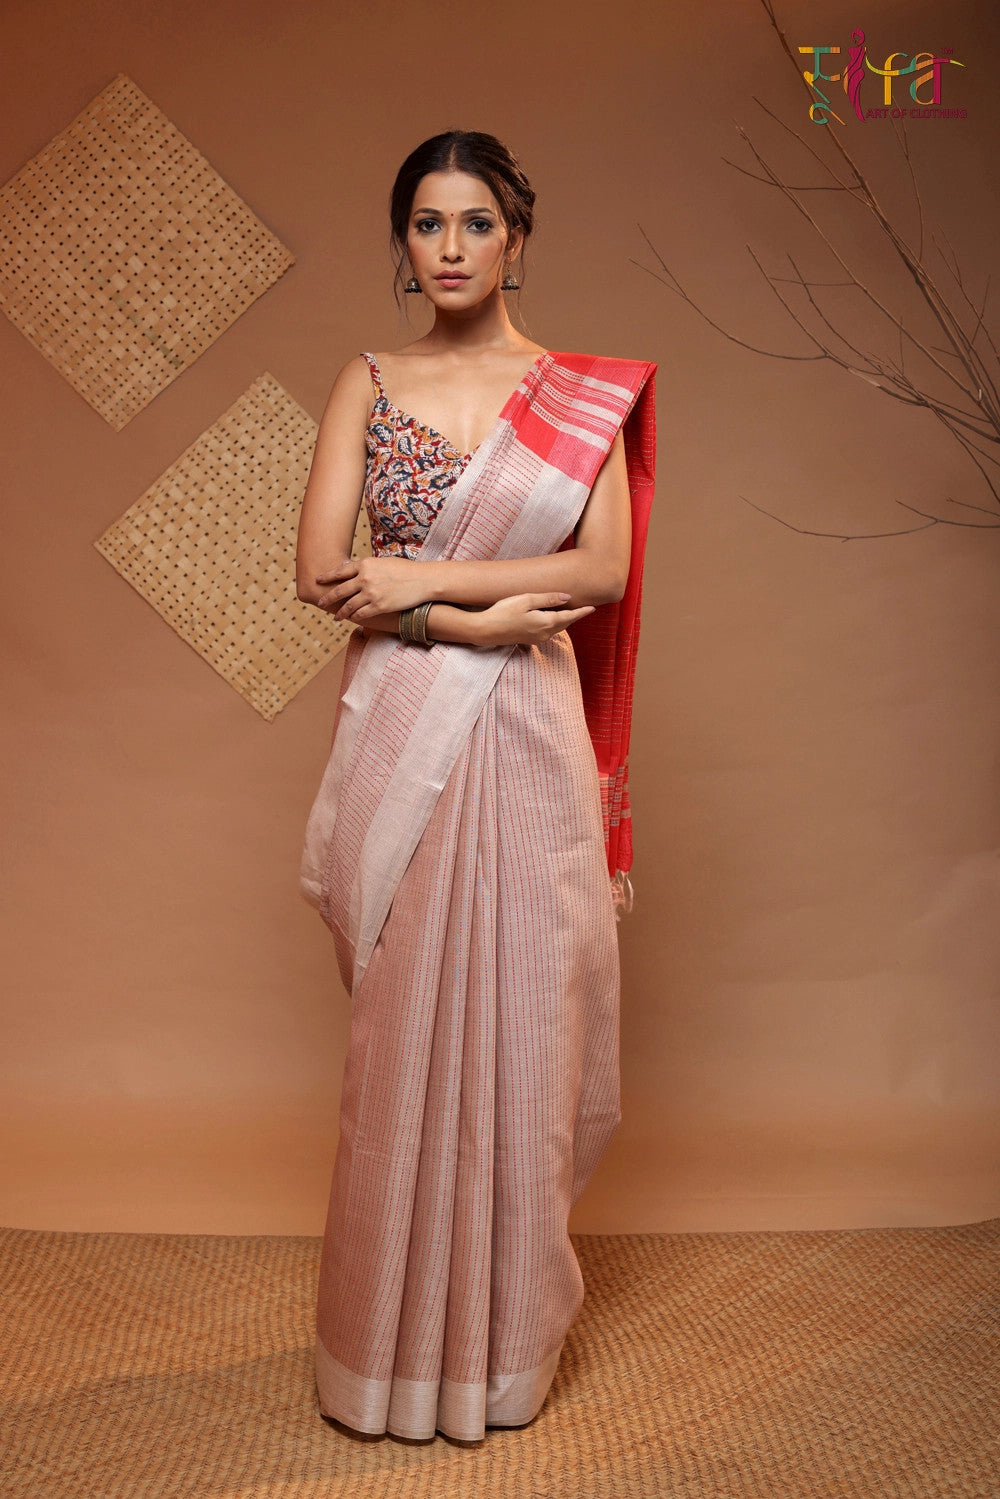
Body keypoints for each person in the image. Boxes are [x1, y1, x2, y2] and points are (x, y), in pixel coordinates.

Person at [296, 129, 657, 1444]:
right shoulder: (368, 378)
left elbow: (603, 569)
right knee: (403, 1033)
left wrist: (423, 579)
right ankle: (381, 1361)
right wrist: (464, 623)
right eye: (428, 223)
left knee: (528, 1025)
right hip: (408, 715)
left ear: (519, 237)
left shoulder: (578, 396)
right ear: (404, 242)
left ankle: (500, 1356)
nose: (451, 248)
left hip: (530, 734)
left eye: (477, 223)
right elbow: (319, 573)